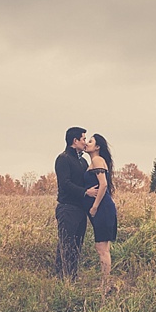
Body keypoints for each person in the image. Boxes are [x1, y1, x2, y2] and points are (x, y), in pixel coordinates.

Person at [54, 127, 99, 281]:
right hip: (67, 208)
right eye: (83, 139)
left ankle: (72, 278)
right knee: (65, 245)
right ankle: (62, 279)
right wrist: (85, 192)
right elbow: (65, 184)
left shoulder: (82, 161)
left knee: (77, 246)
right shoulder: (63, 159)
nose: (85, 142)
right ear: (75, 141)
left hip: (80, 210)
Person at [83, 133, 117, 298]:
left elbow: (103, 185)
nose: (87, 144)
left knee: (102, 248)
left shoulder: (97, 160)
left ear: (97, 147)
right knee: (103, 248)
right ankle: (106, 284)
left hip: (102, 208)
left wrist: (95, 206)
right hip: (103, 207)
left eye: (90, 142)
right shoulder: (94, 162)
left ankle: (105, 286)